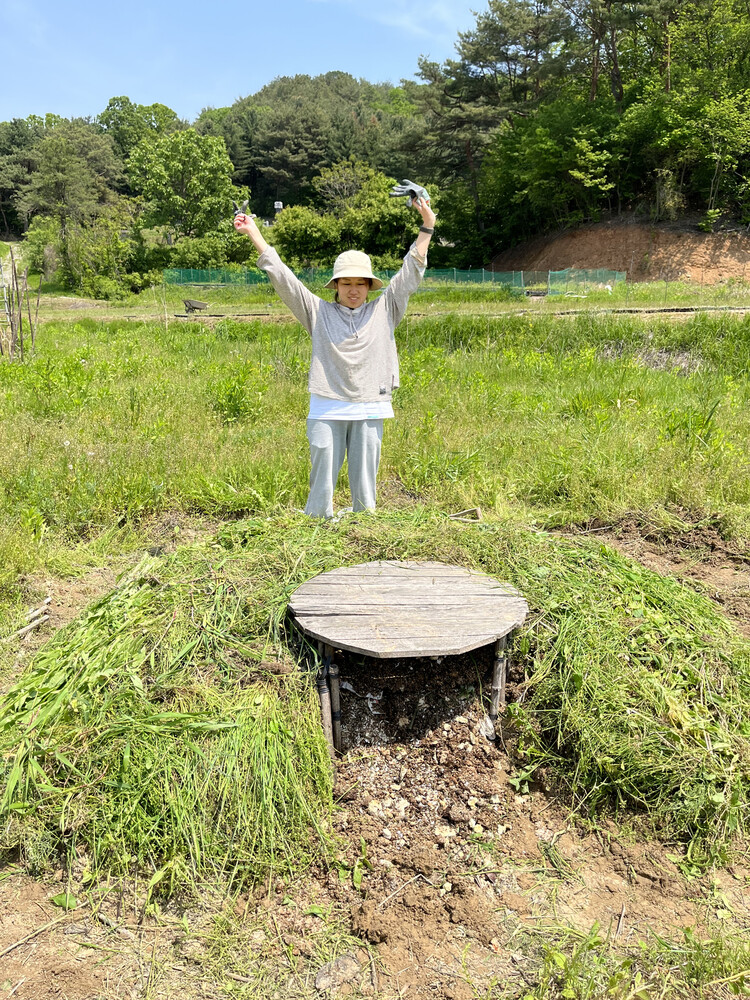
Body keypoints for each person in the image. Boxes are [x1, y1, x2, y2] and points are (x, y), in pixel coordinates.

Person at [233, 189, 436, 518]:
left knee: (365, 481)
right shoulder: (317, 312)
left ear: (370, 286)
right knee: (322, 476)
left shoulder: (386, 309)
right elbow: (284, 279)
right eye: (346, 283)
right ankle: (316, 528)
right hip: (327, 404)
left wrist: (427, 225)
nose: (353, 290)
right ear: (336, 286)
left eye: (361, 283)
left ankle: (364, 528)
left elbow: (410, 272)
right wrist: (255, 233)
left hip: (371, 403)